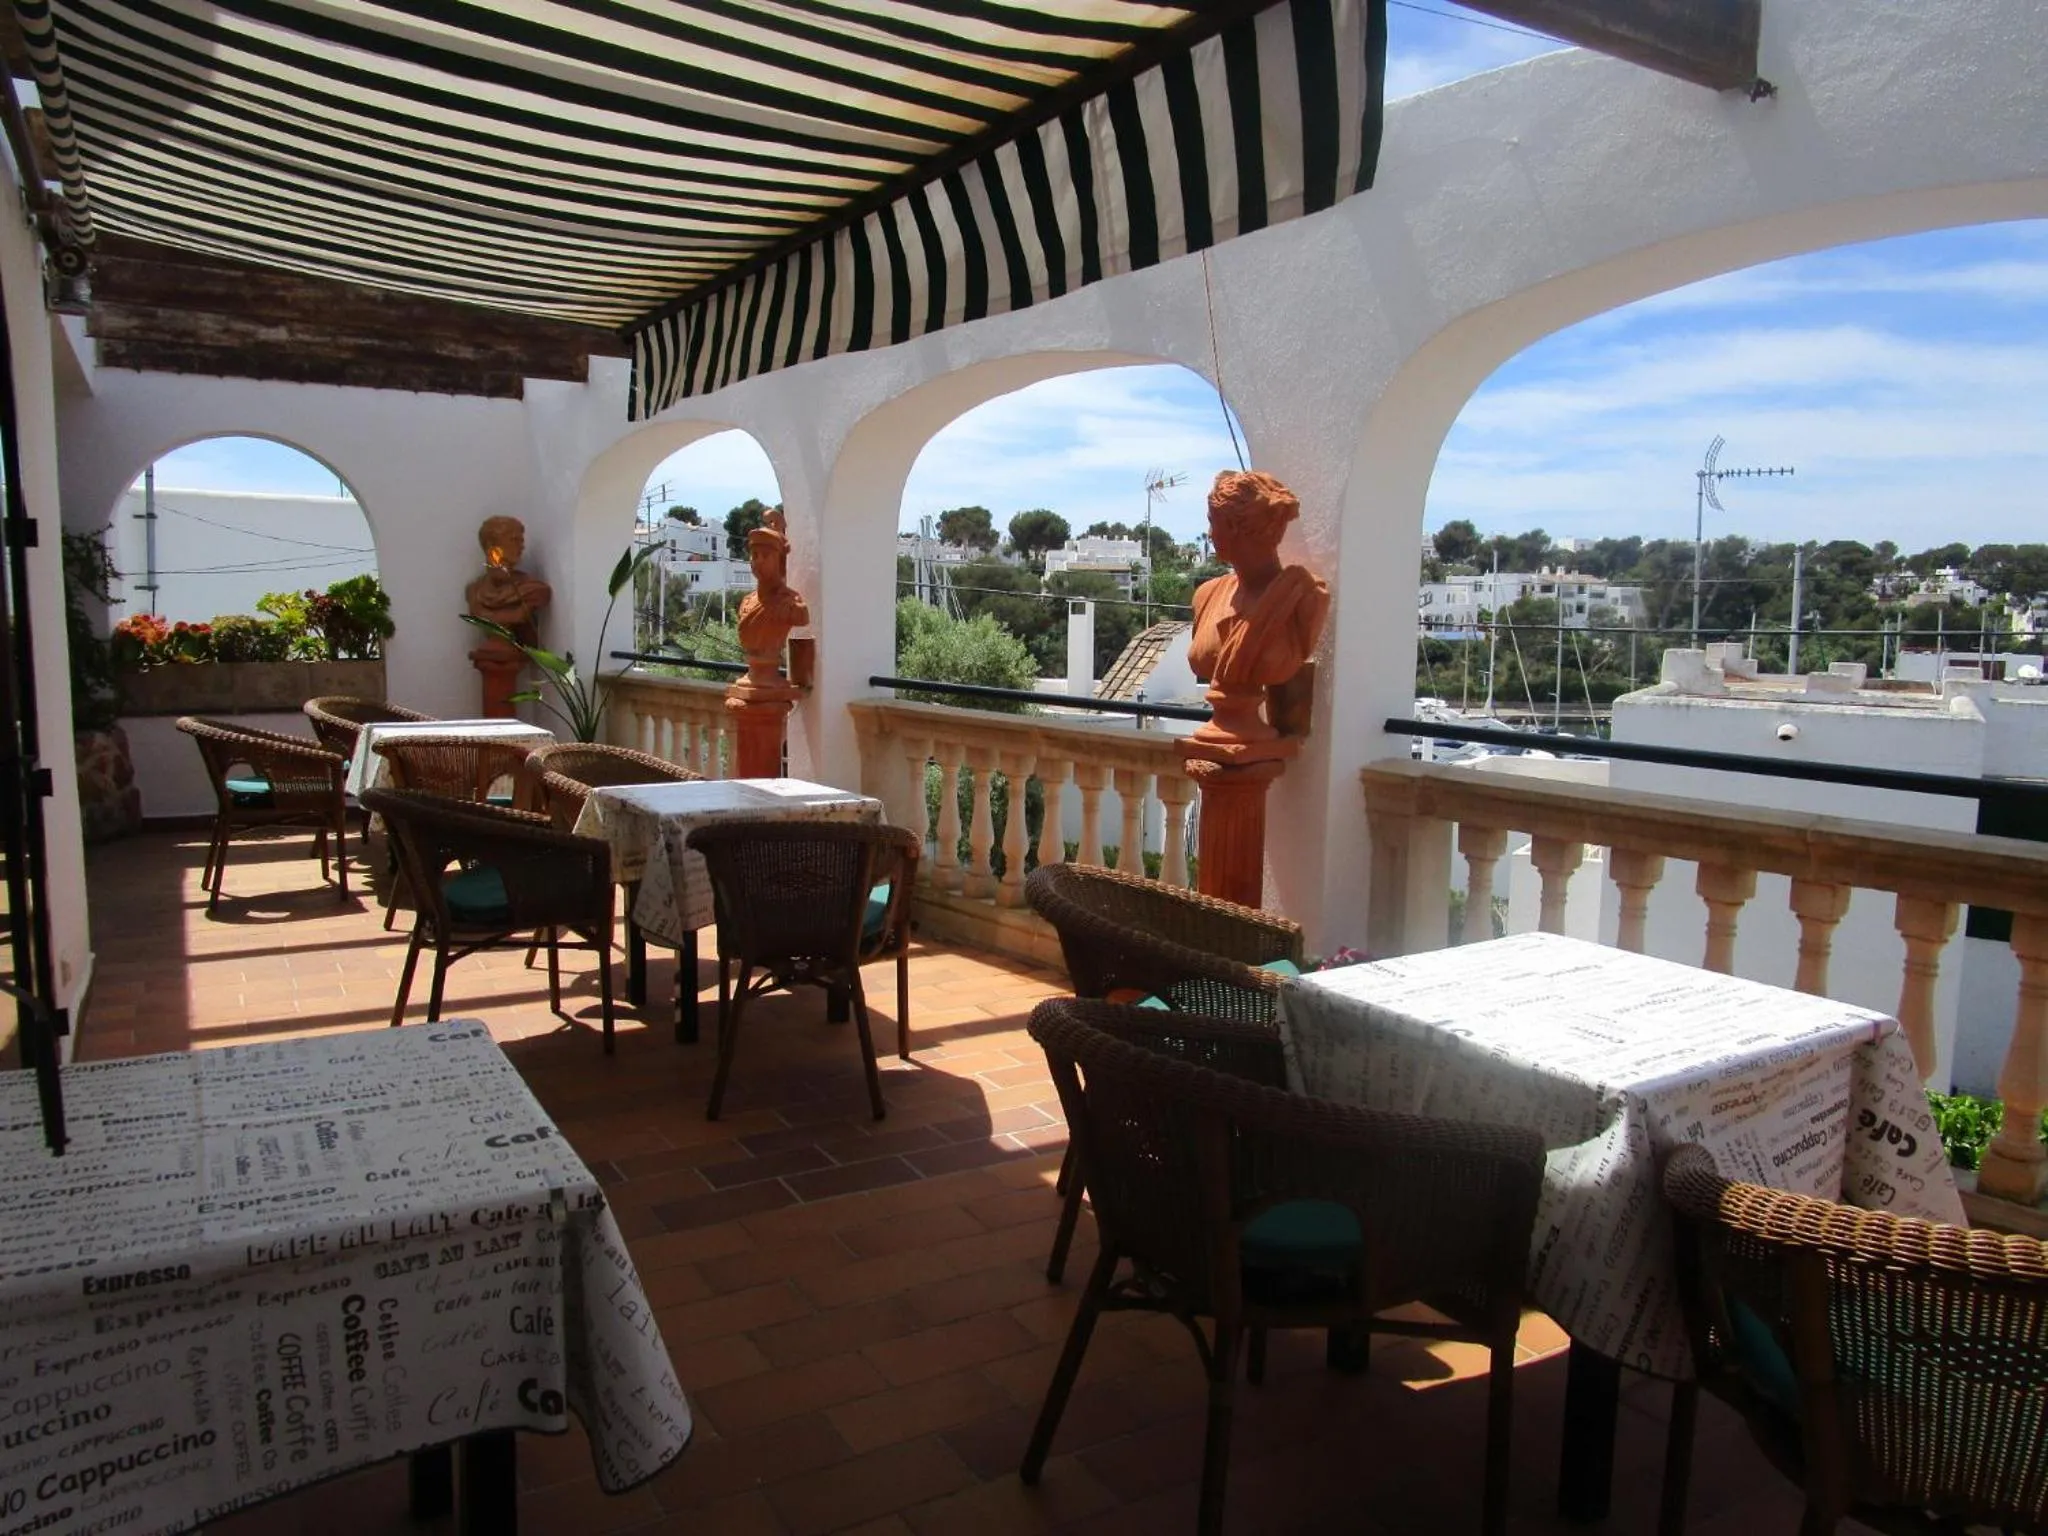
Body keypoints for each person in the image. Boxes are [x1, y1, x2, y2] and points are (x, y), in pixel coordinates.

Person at [1187, 470, 1330, 743]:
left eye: (1213, 522)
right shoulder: (1207, 595)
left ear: (1235, 528)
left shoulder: (1304, 596)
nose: (1209, 534)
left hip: (1251, 751)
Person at [735, 507, 809, 690]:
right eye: (754, 555)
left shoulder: (792, 604)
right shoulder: (747, 602)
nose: (758, 561)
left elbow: (801, 617)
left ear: (780, 562)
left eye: (766, 556)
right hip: (752, 682)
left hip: (770, 686)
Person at [464, 515, 553, 654]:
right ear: (491, 545)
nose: (522, 546)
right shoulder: (474, 592)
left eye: (522, 541)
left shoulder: (533, 590)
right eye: (514, 540)